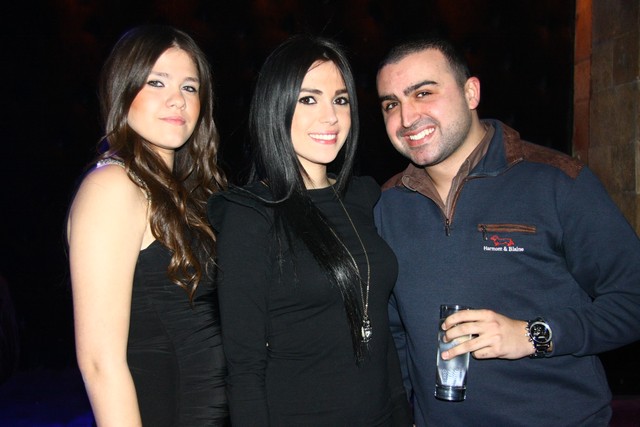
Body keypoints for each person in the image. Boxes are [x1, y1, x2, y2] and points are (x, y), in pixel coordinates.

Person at [374, 36, 640, 426]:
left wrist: (533, 335)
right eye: (391, 104)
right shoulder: (387, 205)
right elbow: (394, 335)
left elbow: (633, 300)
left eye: (423, 93)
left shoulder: (557, 182)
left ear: (471, 92)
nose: (407, 117)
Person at [207, 35, 412, 426]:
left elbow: (381, 332)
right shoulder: (250, 214)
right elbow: (244, 368)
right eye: (308, 99)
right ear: (276, 107)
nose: (330, 117)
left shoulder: (363, 196)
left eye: (340, 100)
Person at [67, 25, 229, 426]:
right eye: (157, 82)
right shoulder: (112, 186)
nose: (177, 99)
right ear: (124, 90)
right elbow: (100, 362)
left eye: (190, 87)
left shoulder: (187, 192)